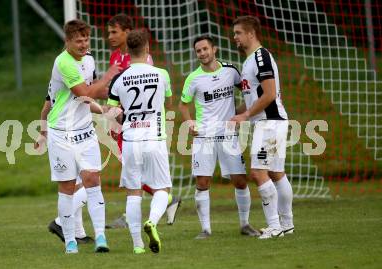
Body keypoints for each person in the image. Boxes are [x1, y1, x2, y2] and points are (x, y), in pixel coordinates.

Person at [44, 19, 120, 253]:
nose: (83, 44)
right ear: (67, 41)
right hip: (61, 133)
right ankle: (70, 242)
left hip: (85, 131)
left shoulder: (89, 59)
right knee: (67, 187)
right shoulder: (63, 62)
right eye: (78, 40)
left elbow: (87, 100)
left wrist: (103, 109)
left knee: (92, 181)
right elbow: (84, 92)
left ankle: (100, 238)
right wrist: (107, 78)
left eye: (86, 39)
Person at [178, 35, 260, 239]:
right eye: (198, 51)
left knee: (240, 181)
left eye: (205, 49)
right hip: (204, 137)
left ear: (214, 49)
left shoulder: (231, 71)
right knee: (203, 182)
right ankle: (205, 229)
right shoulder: (193, 78)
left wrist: (240, 112)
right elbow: (183, 104)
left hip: (228, 135)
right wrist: (189, 122)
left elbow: (248, 93)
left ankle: (245, 224)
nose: (202, 53)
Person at [106, 13, 181, 228]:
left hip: (139, 126)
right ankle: (160, 203)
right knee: (132, 168)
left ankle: (147, 209)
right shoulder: (114, 57)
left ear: (127, 34)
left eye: (114, 32)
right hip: (126, 122)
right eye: (108, 32)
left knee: (134, 171)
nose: (110, 36)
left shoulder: (144, 61)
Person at [231, 16, 294, 239]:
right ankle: (286, 224)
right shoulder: (249, 61)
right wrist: (235, 113)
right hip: (268, 122)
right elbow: (253, 98)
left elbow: (269, 94)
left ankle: (275, 226)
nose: (235, 37)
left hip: (269, 122)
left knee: (258, 172)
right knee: (276, 173)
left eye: (238, 33)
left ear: (251, 33)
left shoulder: (261, 57)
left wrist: (246, 115)